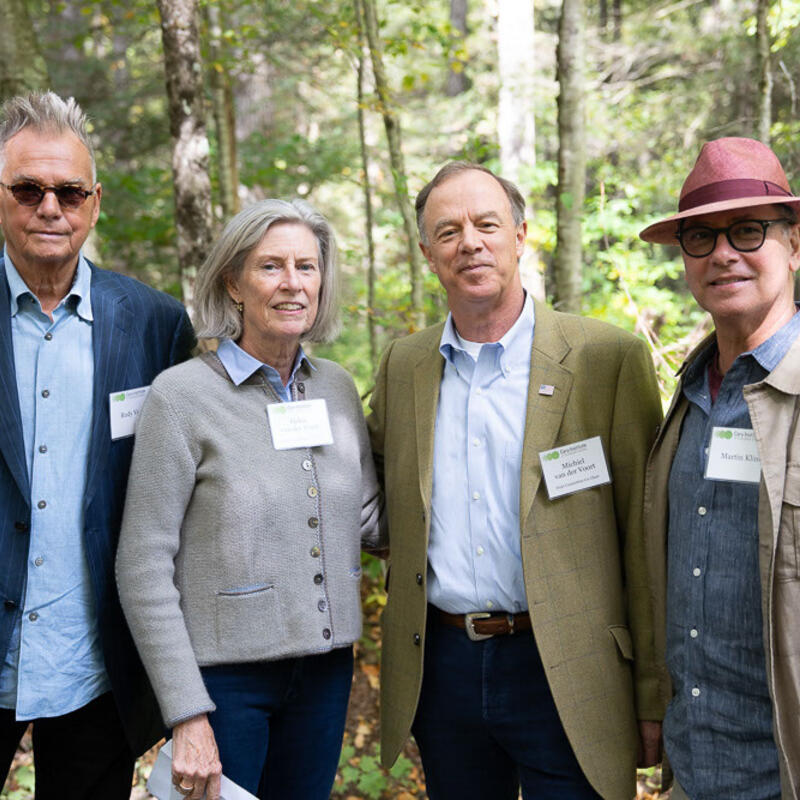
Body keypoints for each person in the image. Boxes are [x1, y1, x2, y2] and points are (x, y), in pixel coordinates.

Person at [367, 161, 665, 800]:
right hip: (441, 665)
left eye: (486, 224)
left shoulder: (606, 359)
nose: (469, 242)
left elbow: (646, 541)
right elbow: (372, 494)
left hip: (568, 664)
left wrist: (653, 694)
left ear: (521, 234)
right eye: (447, 231)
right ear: (427, 253)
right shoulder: (403, 365)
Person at [116, 198, 384, 800]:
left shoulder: (336, 387)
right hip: (224, 685)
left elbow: (368, 517)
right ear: (233, 283)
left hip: (324, 673)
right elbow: (142, 564)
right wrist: (186, 713)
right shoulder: (181, 397)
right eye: (271, 267)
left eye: (307, 267)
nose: (293, 283)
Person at [0, 91, 195, 798]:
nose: (50, 207)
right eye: (28, 189)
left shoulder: (154, 323)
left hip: (94, 661)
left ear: (95, 201)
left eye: (69, 191)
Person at [640, 137, 800, 800]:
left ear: (794, 244)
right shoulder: (688, 400)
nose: (723, 254)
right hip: (692, 769)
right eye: (701, 238)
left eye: (747, 230)